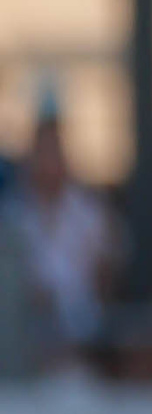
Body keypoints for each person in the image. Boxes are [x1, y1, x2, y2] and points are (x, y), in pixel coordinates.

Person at [10, 109, 113, 360]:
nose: (48, 162)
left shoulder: (91, 215)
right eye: (41, 152)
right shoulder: (13, 217)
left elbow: (106, 277)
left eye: (54, 152)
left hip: (86, 341)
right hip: (27, 347)